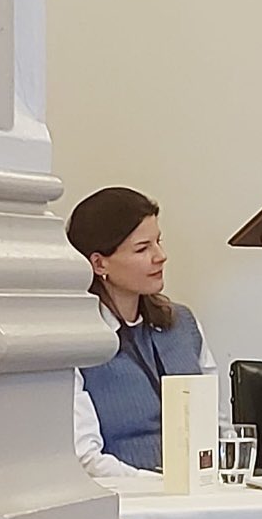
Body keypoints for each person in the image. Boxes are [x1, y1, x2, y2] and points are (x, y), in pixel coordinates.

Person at [66, 187, 223, 476]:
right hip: (126, 506)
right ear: (99, 263)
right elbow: (86, 459)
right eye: (142, 249)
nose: (160, 256)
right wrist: (158, 487)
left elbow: (217, 427)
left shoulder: (183, 324)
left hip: (199, 493)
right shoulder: (75, 342)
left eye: (158, 242)